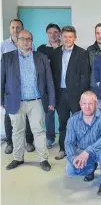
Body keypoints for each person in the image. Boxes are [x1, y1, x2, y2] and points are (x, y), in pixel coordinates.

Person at [1, 30, 55, 171]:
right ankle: (17, 158)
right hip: (14, 101)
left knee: (39, 131)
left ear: (32, 41)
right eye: (22, 39)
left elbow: (49, 81)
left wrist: (52, 101)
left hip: (36, 101)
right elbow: (2, 80)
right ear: (17, 40)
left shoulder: (41, 57)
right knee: (17, 131)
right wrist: (1, 100)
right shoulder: (7, 58)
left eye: (29, 39)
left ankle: (43, 159)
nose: (26, 41)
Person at [51, 26, 91, 160]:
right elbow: (52, 75)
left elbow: (85, 76)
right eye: (65, 36)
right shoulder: (55, 53)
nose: (68, 39)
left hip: (76, 95)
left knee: (78, 123)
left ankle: (79, 148)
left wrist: (82, 97)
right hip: (60, 94)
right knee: (63, 123)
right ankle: (63, 148)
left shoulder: (82, 53)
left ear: (75, 38)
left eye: (70, 36)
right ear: (61, 37)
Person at [65, 91, 101, 196]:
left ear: (97, 104)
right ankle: (91, 168)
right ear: (80, 104)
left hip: (100, 150)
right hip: (82, 151)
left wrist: (88, 151)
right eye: (84, 103)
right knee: (70, 170)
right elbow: (69, 143)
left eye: (90, 103)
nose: (87, 107)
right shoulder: (72, 120)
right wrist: (73, 159)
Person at [1, 19, 35, 154]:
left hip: (27, 90)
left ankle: (28, 141)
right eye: (13, 27)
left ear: (22, 28)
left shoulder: (29, 44)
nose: (15, 30)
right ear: (10, 29)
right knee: (9, 117)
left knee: (27, 117)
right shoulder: (4, 46)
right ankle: (10, 143)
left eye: (18, 27)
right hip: (10, 89)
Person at [37, 23, 62, 149]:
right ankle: (50, 138)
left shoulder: (65, 47)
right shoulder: (41, 49)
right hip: (47, 88)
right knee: (49, 114)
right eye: (50, 32)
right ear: (47, 34)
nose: (53, 35)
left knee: (63, 115)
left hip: (62, 87)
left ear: (60, 34)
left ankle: (65, 139)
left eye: (56, 32)